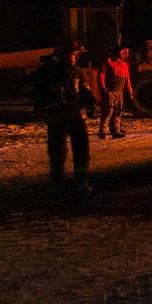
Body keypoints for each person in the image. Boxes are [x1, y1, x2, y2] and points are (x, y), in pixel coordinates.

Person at [24, 37, 96, 191]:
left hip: (75, 114)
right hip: (57, 116)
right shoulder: (47, 71)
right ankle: (57, 182)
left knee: (82, 148)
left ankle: (81, 180)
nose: (77, 57)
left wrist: (88, 98)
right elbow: (29, 88)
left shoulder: (76, 71)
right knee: (57, 150)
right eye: (73, 54)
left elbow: (81, 89)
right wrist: (45, 99)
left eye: (77, 54)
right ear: (63, 54)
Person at [98, 46, 133, 139]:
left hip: (119, 91)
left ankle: (116, 131)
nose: (124, 54)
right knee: (108, 111)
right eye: (122, 52)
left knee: (118, 112)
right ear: (117, 53)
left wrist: (130, 90)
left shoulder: (124, 65)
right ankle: (103, 132)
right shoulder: (109, 62)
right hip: (110, 91)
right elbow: (101, 74)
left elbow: (127, 78)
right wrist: (103, 88)